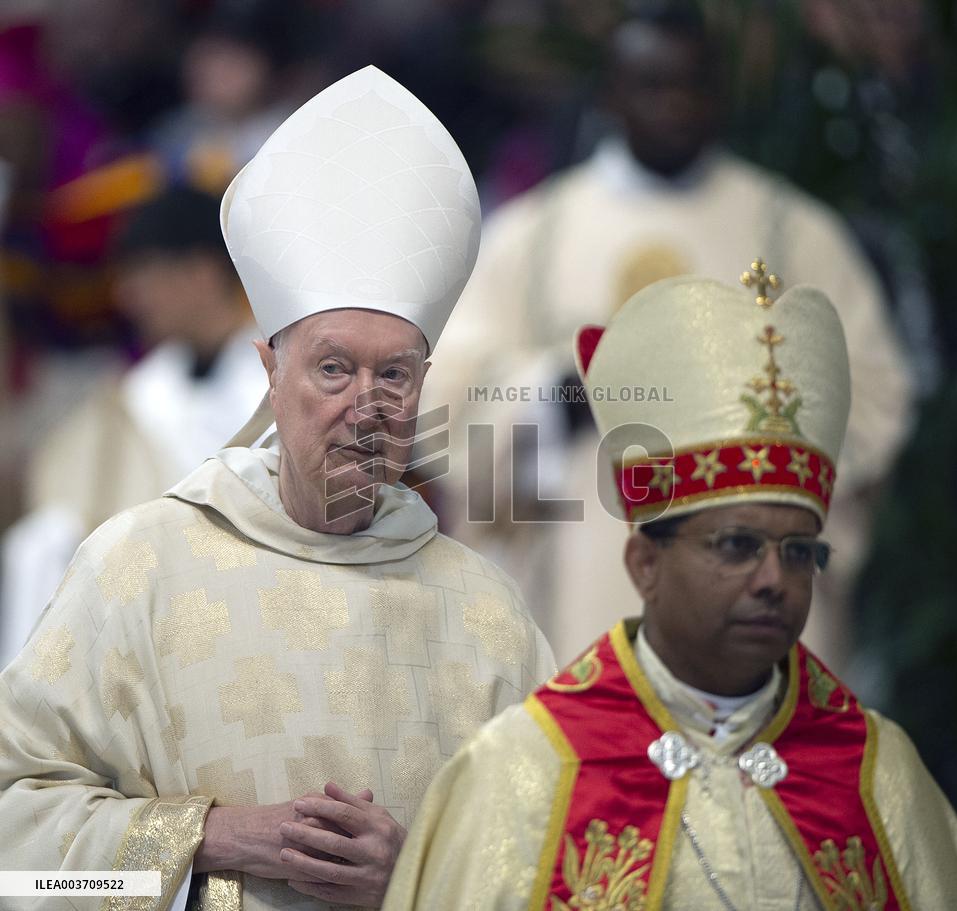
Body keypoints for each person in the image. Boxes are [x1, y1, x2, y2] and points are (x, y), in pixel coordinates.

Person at [0, 65, 554, 911]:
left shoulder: (487, 614)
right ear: (269, 369)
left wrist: (422, 874)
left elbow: (563, 874)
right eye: (333, 368)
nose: (366, 407)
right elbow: (20, 859)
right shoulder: (136, 569)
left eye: (395, 376)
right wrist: (203, 837)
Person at [384, 267, 957, 910]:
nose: (774, 582)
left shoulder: (878, 775)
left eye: (799, 551)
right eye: (736, 546)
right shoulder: (524, 772)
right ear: (644, 562)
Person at [421, 2, 914, 670]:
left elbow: (876, 392)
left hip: (749, 578)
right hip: (580, 578)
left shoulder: (793, 233)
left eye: (692, 85)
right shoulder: (533, 237)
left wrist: (753, 404)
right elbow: (449, 397)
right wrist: (553, 393)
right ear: (610, 95)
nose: (674, 104)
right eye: (653, 85)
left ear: (720, 95)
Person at [0, 185, 266, 668]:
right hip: (153, 604)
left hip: (259, 600)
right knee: (38, 542)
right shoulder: (139, 392)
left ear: (202, 273)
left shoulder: (282, 379)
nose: (127, 295)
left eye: (143, 273)